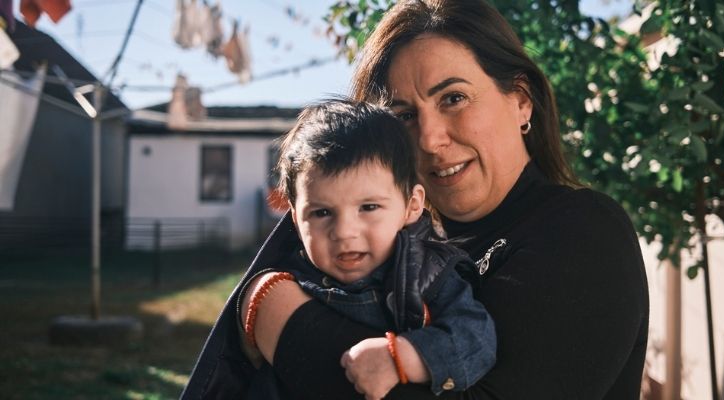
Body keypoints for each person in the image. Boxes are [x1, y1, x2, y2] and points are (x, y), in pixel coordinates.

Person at [182, 0, 649, 399]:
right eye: (404, 115)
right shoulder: (403, 242)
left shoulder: (582, 229)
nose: (428, 139)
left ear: (521, 100)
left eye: (453, 98)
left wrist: (276, 315)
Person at [237, 99, 496, 399]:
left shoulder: (429, 274)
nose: (344, 232)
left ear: (412, 205)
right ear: (295, 219)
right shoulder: (291, 279)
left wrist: (401, 357)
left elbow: (476, 338)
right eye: (322, 213)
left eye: (368, 207)